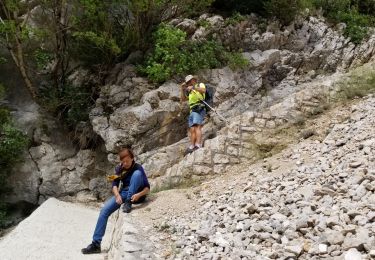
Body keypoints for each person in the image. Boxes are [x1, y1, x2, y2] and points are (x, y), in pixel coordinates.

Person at [81, 147, 150, 254]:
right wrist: (117, 195)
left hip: (137, 194)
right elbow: (114, 185)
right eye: (123, 161)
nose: (125, 163)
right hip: (123, 193)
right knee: (104, 211)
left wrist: (138, 195)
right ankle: (96, 244)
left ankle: (128, 202)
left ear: (132, 158)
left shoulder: (138, 167)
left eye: (127, 161)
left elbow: (147, 188)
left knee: (137, 174)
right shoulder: (120, 169)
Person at [180, 75, 206, 154]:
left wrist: (193, 88)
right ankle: (192, 145)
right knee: (192, 129)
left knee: (197, 126)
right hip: (192, 110)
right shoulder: (189, 91)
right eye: (187, 82)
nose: (189, 83)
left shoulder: (199, 85)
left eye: (190, 81)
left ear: (194, 80)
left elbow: (203, 90)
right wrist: (182, 89)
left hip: (199, 107)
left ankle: (198, 144)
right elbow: (183, 99)